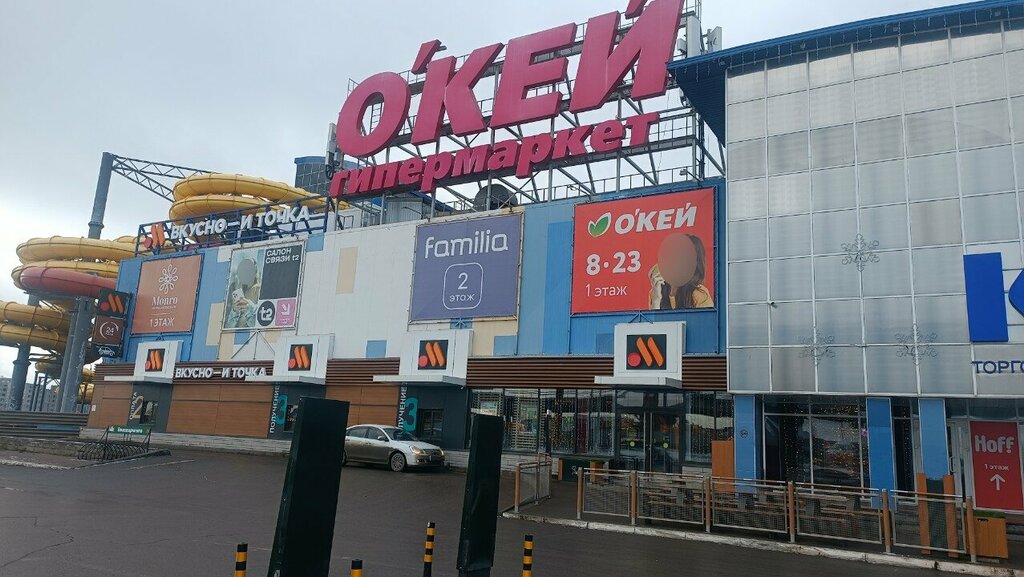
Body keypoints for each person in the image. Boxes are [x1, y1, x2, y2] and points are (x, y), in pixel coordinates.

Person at [648, 233, 714, 310]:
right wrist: (656, 299)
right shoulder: (656, 291)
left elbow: (708, 318)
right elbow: (654, 318)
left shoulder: (699, 293)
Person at [225, 256, 261, 328]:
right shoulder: (236, 290)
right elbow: (228, 327)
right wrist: (234, 311)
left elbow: (258, 324)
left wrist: (249, 309)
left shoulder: (259, 289)